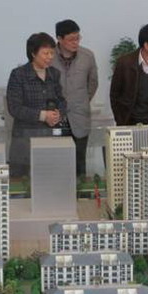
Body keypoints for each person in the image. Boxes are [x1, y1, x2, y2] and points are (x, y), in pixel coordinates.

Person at [7, 32, 68, 177]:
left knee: (49, 177)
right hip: (25, 138)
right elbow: (14, 108)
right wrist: (43, 115)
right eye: (45, 53)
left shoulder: (54, 74)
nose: (50, 57)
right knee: (22, 180)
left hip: (50, 136)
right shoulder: (19, 74)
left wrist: (59, 113)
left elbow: (62, 100)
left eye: (52, 53)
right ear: (33, 53)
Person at [51, 19, 98, 177]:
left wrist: (82, 100)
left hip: (80, 116)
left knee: (79, 163)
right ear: (59, 38)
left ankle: (80, 189)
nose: (76, 42)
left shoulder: (87, 56)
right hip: (56, 118)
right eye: (71, 39)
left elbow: (93, 83)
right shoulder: (49, 57)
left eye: (78, 38)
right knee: (57, 163)